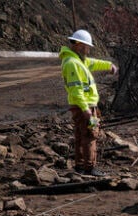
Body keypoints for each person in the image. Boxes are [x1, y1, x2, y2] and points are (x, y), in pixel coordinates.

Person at [59, 30, 117, 176]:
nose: (88, 49)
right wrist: (86, 109)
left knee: (80, 134)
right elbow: (76, 90)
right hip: (84, 107)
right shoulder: (73, 64)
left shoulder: (79, 61)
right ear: (79, 45)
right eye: (87, 46)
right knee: (90, 135)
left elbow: (94, 63)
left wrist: (109, 66)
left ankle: (79, 166)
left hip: (83, 106)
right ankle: (90, 168)